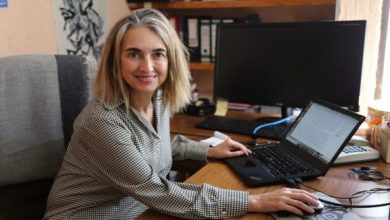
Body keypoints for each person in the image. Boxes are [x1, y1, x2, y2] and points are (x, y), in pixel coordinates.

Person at [44, 8, 320, 219]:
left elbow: (149, 150)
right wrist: (254, 201)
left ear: (170, 59)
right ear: (116, 60)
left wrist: (206, 151)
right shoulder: (102, 122)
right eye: (134, 54)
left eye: (158, 54)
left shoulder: (158, 97)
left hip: (139, 210)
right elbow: (157, 190)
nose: (147, 66)